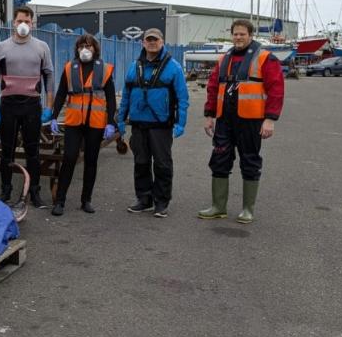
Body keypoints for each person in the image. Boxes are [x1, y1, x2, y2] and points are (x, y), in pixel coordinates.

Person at [198, 19, 284, 223]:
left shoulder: (265, 58)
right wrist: (209, 115)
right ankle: (218, 207)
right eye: (235, 34)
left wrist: (270, 119)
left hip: (251, 121)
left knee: (250, 162)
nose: (238, 37)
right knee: (219, 161)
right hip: (225, 121)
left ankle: (248, 209)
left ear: (251, 35)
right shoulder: (223, 59)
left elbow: (276, 90)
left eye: (242, 34)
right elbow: (212, 87)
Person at [118, 28, 189, 218]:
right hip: (139, 124)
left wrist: (181, 123)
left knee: (162, 164)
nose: (151, 43)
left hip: (161, 124)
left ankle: (161, 201)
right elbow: (126, 94)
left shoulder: (173, 67)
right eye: (148, 40)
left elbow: (183, 97)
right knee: (140, 162)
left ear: (162, 42)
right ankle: (144, 199)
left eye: (155, 40)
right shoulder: (135, 66)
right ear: (143, 43)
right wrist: (120, 120)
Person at [0, 6, 55, 207]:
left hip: (32, 106)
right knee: (6, 151)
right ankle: (6, 191)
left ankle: (34, 192)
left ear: (32, 24)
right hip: (8, 105)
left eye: (27, 21)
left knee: (32, 151)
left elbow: (49, 76)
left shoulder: (42, 46)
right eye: (20, 21)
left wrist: (49, 107)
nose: (23, 25)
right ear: (13, 23)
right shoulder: (1, 47)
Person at [49, 34, 116, 216]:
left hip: (95, 122)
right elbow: (61, 93)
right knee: (69, 158)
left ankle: (86, 200)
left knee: (91, 161)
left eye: (88, 46)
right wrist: (54, 116)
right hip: (74, 122)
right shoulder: (70, 68)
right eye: (81, 46)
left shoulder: (105, 69)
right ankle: (60, 201)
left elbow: (110, 97)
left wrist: (110, 122)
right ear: (77, 49)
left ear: (95, 49)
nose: (85, 49)